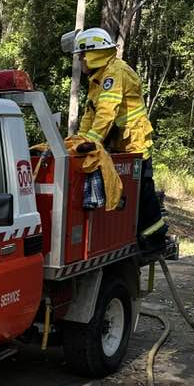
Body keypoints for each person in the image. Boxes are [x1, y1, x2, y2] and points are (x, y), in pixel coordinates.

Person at [73, 27, 167, 252]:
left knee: (142, 193)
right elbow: (90, 114)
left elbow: (107, 112)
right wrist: (78, 142)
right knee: (126, 194)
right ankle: (136, 236)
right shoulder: (99, 77)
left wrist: (92, 142)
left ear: (93, 54)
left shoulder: (114, 74)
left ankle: (155, 239)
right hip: (120, 145)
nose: (80, 61)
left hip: (135, 144)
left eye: (82, 56)